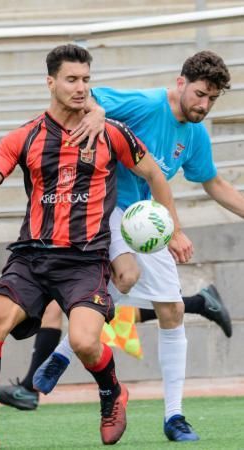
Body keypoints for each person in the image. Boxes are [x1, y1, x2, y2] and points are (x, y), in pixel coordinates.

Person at [0, 44, 187, 450]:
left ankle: (112, 392)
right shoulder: (25, 136)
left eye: (86, 80)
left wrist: (174, 228)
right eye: (72, 80)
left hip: (86, 259)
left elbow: (154, 173)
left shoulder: (111, 132)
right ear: (51, 82)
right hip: (33, 255)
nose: (80, 88)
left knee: (83, 341)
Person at [32, 51, 242, 443]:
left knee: (172, 310)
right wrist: (95, 112)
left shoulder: (195, 134)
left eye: (212, 99)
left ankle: (174, 416)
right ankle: (60, 354)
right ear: (180, 83)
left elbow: (214, 183)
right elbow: (90, 96)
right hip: (108, 208)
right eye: (199, 94)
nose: (203, 104)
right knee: (125, 276)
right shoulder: (146, 104)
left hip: (148, 221)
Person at [0, 283, 231, 410]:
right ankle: (200, 303)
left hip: (104, 230)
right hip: (92, 231)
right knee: (103, 310)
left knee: (96, 307)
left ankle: (30, 388)